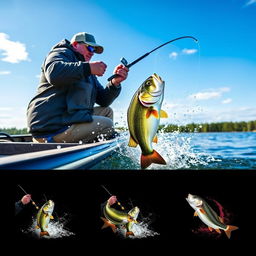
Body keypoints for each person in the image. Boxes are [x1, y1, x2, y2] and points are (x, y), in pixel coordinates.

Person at [27, 32, 129, 143]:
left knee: (106, 111)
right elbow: (54, 73)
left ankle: (94, 143)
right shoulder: (61, 52)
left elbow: (103, 100)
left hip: (68, 120)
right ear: (75, 45)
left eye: (94, 50)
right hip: (50, 127)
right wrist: (88, 68)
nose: (92, 53)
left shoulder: (88, 72)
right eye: (89, 47)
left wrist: (114, 83)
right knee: (107, 125)